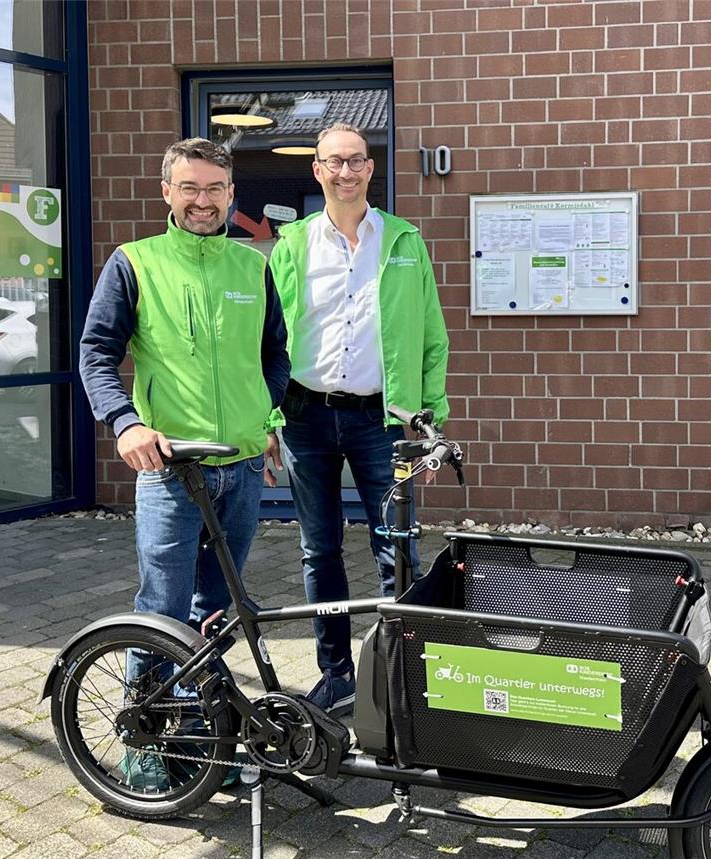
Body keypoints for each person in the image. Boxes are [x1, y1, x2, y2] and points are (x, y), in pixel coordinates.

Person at [79, 138, 290, 784]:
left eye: (215, 190)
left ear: (232, 195)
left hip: (244, 465)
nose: (203, 201)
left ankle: (200, 736)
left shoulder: (253, 266)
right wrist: (125, 422)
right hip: (170, 468)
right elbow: (96, 353)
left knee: (219, 607)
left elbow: (274, 355)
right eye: (191, 189)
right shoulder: (133, 264)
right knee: (161, 606)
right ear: (167, 192)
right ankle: (144, 738)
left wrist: (269, 418)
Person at [268, 122, 449, 717]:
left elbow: (432, 339)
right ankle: (337, 673)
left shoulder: (402, 240)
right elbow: (270, 339)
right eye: (332, 163)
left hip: (382, 421)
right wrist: (268, 419)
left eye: (355, 161)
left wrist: (428, 424)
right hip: (305, 417)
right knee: (318, 550)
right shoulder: (291, 244)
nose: (344, 172)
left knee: (396, 549)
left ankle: (402, 679)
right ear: (316, 170)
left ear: (370, 169)